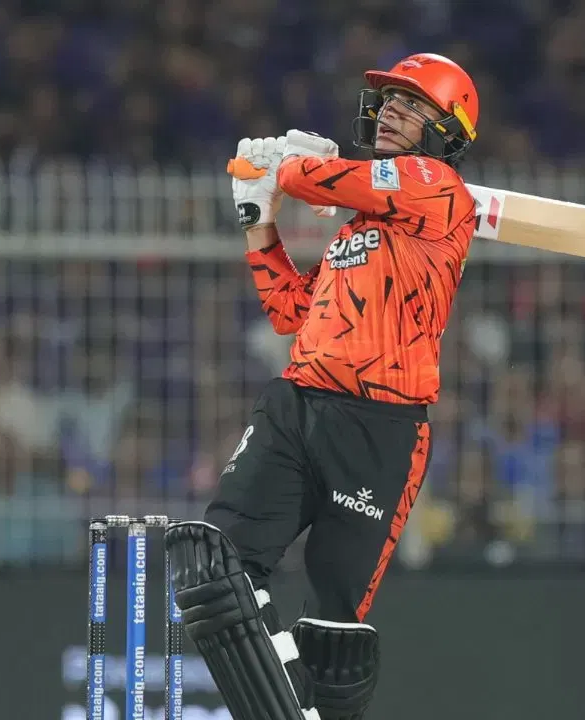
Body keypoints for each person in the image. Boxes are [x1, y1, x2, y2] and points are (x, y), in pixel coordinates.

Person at [165, 53, 481, 720]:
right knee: (214, 567)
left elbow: (312, 178)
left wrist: (291, 164)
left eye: (411, 103)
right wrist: (260, 222)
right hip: (298, 404)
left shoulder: (438, 186)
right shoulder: (361, 231)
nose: (390, 111)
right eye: (387, 100)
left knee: (332, 636)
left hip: (380, 426)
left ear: (447, 127)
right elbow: (291, 313)